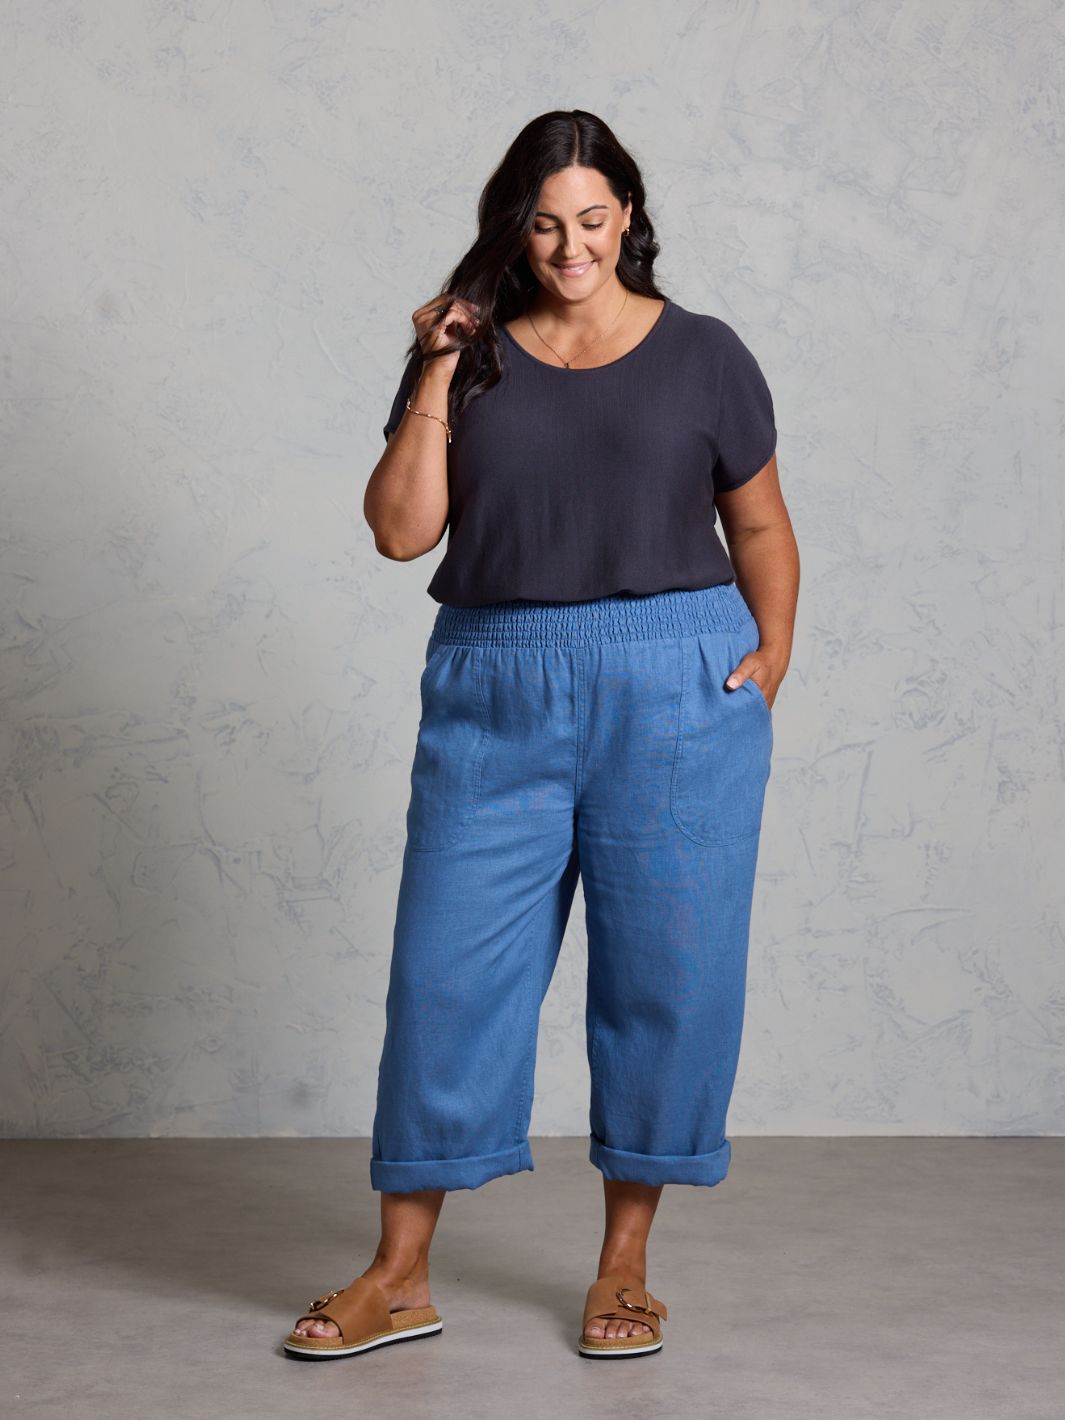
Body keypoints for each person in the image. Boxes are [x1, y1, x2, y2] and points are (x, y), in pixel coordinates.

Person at [284, 108, 799, 1362]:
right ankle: (399, 1271)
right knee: (447, 976)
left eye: (594, 216)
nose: (571, 244)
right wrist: (434, 373)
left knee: (667, 979)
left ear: (628, 214)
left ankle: (626, 1264)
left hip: (675, 683)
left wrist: (768, 658)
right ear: (513, 229)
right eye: (545, 222)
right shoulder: (474, 359)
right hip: (495, 680)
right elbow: (403, 534)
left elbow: (764, 526)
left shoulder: (707, 355)